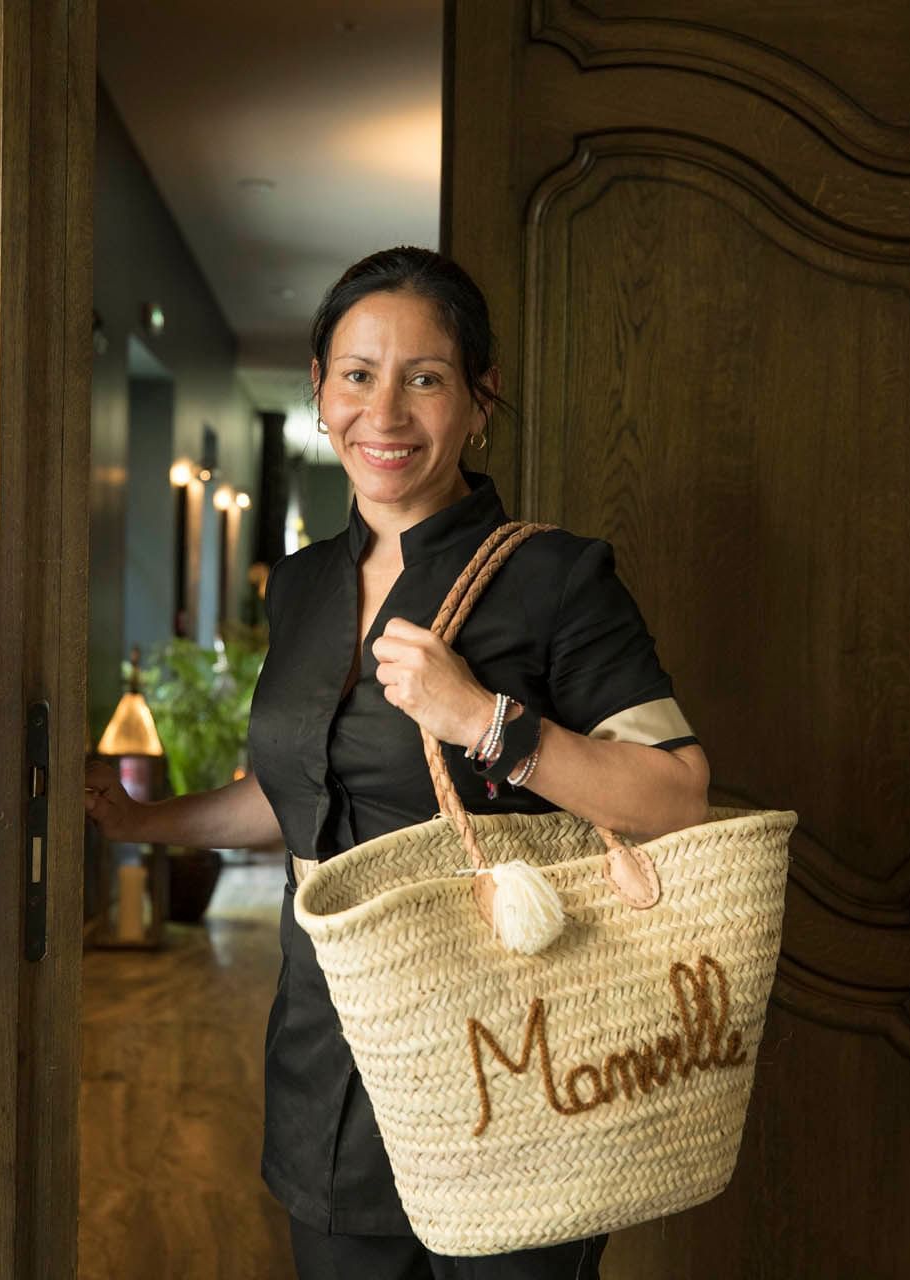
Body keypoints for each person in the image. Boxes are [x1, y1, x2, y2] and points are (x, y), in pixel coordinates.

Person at [86, 246, 712, 1279]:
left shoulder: (555, 577)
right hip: (328, 1049)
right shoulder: (298, 586)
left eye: (424, 377)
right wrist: (142, 822)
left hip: (510, 1054)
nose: (386, 412)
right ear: (323, 395)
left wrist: (483, 719)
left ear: (480, 398)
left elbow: (677, 795)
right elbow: (299, 800)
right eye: (357, 375)